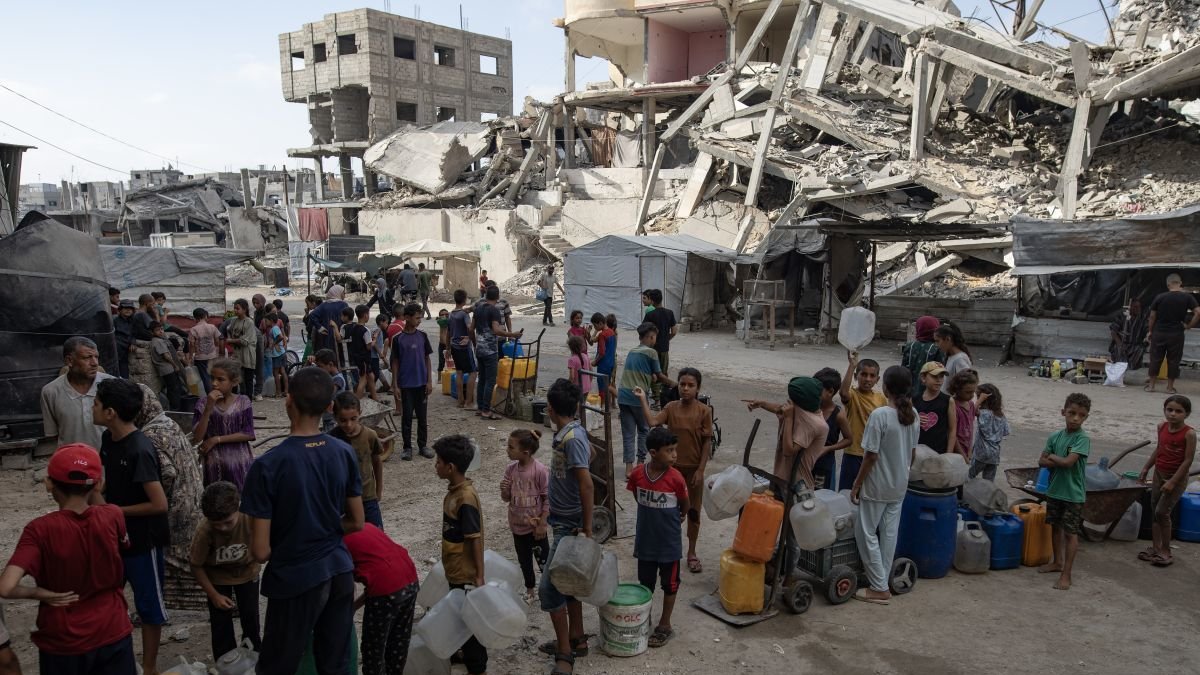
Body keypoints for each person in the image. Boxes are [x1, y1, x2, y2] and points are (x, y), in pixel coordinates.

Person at [240, 366, 364, 674]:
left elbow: (260, 551)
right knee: (333, 664)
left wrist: (295, 539)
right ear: (330, 408)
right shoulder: (342, 452)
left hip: (295, 577)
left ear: (288, 401)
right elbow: (357, 521)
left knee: (278, 665)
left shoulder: (268, 466)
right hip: (339, 571)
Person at [0, 444, 137, 673]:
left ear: (48, 483)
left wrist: (39, 593)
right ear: (99, 484)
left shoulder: (39, 530)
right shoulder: (113, 515)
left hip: (64, 640)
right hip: (112, 629)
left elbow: (5, 587)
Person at [93, 378, 170, 674]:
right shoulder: (108, 440)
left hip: (143, 540)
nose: (93, 408)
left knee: (149, 606)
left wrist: (111, 510)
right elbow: (109, 480)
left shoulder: (139, 449)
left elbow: (158, 503)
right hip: (117, 535)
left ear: (111, 412)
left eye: (97, 404)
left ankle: (149, 666)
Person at [537, 379, 594, 675]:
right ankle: (577, 638)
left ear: (549, 408)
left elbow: (586, 485)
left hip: (570, 525)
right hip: (561, 520)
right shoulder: (569, 432)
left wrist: (586, 529)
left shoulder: (572, 438)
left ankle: (565, 652)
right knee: (568, 584)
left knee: (549, 590)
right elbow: (589, 458)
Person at [850, 366, 919, 606]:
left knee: (866, 532)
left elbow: (870, 456)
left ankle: (879, 586)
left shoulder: (880, 415)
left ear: (885, 387)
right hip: (899, 484)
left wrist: (857, 484)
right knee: (889, 533)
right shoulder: (913, 415)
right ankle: (881, 580)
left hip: (878, 485)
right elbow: (912, 454)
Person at [135, 384, 203, 618]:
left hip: (177, 504)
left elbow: (167, 473)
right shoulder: (166, 423)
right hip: (191, 498)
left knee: (179, 557)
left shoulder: (151, 434)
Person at [635, 367, 712, 574]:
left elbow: (706, 443)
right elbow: (652, 422)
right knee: (669, 512)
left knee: (693, 512)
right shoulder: (670, 407)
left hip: (694, 470)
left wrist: (701, 470)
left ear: (698, 388)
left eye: (690, 385)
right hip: (672, 471)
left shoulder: (704, 411)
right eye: (682, 385)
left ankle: (692, 552)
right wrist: (643, 398)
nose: (685, 389)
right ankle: (666, 549)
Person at [626, 427, 688, 648]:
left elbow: (684, 503)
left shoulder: (676, 478)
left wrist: (680, 516)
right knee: (646, 583)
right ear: (653, 452)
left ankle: (665, 624)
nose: (674, 455)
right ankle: (645, 617)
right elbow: (636, 494)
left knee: (670, 584)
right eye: (669, 450)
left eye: (675, 450)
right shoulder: (637, 474)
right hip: (646, 541)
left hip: (669, 543)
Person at [433, 435, 487, 675]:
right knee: (458, 614)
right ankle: (461, 654)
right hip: (455, 570)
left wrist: (479, 576)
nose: (436, 465)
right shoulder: (454, 492)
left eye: (438, 462)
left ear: (450, 467)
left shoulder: (465, 498)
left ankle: (478, 667)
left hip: (466, 573)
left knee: (469, 622)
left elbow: (474, 538)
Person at [190, 481, 261, 660]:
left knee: (251, 619)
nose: (222, 528)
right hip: (217, 578)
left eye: (227, 522)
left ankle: (253, 661)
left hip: (248, 573)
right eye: (217, 525)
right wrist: (214, 595)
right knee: (221, 625)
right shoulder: (204, 530)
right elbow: (196, 565)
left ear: (238, 508)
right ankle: (225, 664)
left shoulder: (250, 517)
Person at [344, 523, 419, 675]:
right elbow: (380, 572)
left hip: (385, 588)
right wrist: (353, 608)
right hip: (409, 578)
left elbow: (344, 586)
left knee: (373, 649)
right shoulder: (363, 525)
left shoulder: (336, 542)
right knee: (398, 643)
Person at [1037, 393, 1091, 590]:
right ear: (1063, 412)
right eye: (1072, 413)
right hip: (1055, 491)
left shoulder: (1082, 439)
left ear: (1086, 417)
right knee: (1055, 527)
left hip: (1073, 494)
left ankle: (1066, 574)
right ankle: (1057, 562)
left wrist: (1051, 456)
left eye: (1081, 415)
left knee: (1071, 533)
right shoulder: (1055, 436)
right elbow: (1041, 461)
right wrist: (1052, 458)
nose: (1076, 418)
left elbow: (1068, 463)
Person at [1138, 394, 1196, 567]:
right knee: (1155, 509)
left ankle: (1166, 550)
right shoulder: (1161, 427)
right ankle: (1156, 548)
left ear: (1186, 414)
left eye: (1178, 411)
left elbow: (1188, 460)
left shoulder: (1189, 434)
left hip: (1176, 478)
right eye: (1169, 410)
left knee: (1163, 512)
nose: (1173, 414)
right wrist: (1146, 467)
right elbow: (1159, 449)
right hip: (1159, 474)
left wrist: (1172, 482)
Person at [744, 377, 829, 491]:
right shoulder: (804, 410)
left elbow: (788, 451)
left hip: (797, 487)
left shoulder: (815, 424)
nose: (789, 403)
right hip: (781, 479)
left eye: (792, 400)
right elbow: (780, 408)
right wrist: (762, 404)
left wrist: (788, 419)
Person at [614, 323, 676, 478]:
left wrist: (651, 376)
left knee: (628, 434)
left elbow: (646, 373)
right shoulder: (652, 353)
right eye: (654, 337)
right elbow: (660, 376)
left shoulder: (632, 351)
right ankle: (640, 465)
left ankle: (629, 469)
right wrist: (675, 384)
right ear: (650, 337)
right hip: (637, 396)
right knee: (643, 430)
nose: (655, 340)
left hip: (622, 395)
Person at [500, 429, 550, 603]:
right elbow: (506, 498)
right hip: (517, 526)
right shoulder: (510, 470)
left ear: (525, 452)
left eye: (511, 447)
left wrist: (543, 523)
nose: (507, 449)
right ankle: (530, 590)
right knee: (524, 561)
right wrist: (504, 490)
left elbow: (547, 498)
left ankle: (550, 590)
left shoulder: (540, 471)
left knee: (544, 561)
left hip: (536, 528)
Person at [192, 358, 256, 489]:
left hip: (239, 464)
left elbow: (249, 433)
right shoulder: (203, 403)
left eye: (221, 379)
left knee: (239, 501)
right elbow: (197, 437)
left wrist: (216, 439)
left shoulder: (243, 402)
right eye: (212, 378)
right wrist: (208, 408)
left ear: (234, 382)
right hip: (214, 465)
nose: (214, 383)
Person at [40, 336, 113, 449]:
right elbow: (52, 437)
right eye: (87, 357)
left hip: (108, 463)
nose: (94, 363)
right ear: (69, 360)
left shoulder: (113, 385)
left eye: (96, 357)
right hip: (73, 462)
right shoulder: (51, 392)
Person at [331, 392, 386, 529]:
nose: (349, 424)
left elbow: (377, 462)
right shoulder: (332, 439)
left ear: (360, 413)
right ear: (335, 417)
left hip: (367, 497)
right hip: (343, 500)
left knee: (376, 535)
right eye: (343, 420)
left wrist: (378, 490)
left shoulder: (369, 435)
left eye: (353, 418)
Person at [391, 303, 435, 460]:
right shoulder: (398, 339)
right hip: (406, 385)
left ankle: (423, 445)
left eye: (420, 318)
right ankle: (407, 447)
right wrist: (395, 384)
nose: (419, 321)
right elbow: (395, 362)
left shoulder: (422, 336)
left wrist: (429, 381)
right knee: (407, 417)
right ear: (407, 318)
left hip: (421, 383)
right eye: (417, 318)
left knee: (422, 417)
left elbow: (427, 358)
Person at [838, 352, 887, 491]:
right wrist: (852, 365)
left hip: (872, 453)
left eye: (872, 376)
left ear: (877, 379)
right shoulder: (853, 394)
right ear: (856, 376)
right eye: (863, 374)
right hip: (853, 453)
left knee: (867, 493)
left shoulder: (881, 399)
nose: (867, 379)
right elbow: (843, 393)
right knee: (847, 492)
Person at [475, 286, 524, 421]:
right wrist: (512, 334)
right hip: (490, 350)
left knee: (482, 380)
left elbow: (471, 328)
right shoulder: (494, 310)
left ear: (485, 296)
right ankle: (486, 411)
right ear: (497, 297)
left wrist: (475, 344)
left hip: (479, 349)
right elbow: (496, 330)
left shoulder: (478, 308)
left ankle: (480, 408)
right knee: (490, 381)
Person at [1146, 273, 1199, 394]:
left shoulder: (1160, 297)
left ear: (1168, 284)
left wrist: (1150, 331)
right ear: (1180, 283)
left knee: (1155, 358)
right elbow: (1198, 312)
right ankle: (1169, 388)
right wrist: (1188, 326)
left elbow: (1152, 316)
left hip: (1159, 332)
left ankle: (1151, 386)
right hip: (1176, 333)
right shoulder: (1187, 297)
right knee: (1174, 360)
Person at [813, 368, 851, 491]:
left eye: (818, 390)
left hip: (825, 465)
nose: (814, 393)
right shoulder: (811, 406)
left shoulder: (839, 415)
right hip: (806, 462)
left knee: (820, 499)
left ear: (830, 391)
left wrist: (828, 448)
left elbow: (849, 439)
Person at [912, 362, 957, 455]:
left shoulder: (948, 401)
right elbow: (907, 423)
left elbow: (952, 430)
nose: (939, 380)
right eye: (934, 376)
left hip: (940, 453)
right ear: (923, 378)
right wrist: (915, 420)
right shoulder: (914, 400)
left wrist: (948, 454)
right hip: (917, 452)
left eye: (941, 377)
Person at [644, 290, 677, 404]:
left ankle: (656, 399)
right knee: (663, 372)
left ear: (652, 300)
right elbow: (674, 331)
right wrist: (665, 339)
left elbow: (643, 332)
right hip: (664, 348)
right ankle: (665, 397)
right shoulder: (670, 313)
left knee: (653, 373)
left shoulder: (650, 315)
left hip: (652, 349)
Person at [971, 383, 1009, 481]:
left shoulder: (984, 414)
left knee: (968, 476)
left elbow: (971, 412)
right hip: (994, 455)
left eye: (978, 396)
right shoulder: (1001, 416)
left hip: (981, 453)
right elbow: (1006, 432)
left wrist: (979, 400)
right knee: (988, 482)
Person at [448, 289, 477, 410]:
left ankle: (460, 400)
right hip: (464, 347)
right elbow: (470, 328)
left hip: (454, 346)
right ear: (465, 300)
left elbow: (448, 332)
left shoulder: (451, 314)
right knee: (473, 373)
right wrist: (472, 340)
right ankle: (468, 402)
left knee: (459, 372)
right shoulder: (464, 314)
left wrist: (448, 347)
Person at [225, 299, 259, 401]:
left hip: (247, 353)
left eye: (238, 308)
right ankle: (235, 398)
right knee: (235, 376)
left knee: (248, 378)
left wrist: (232, 340)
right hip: (237, 354)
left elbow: (245, 341)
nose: (235, 310)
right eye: (234, 308)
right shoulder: (234, 320)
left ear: (244, 309)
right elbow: (229, 331)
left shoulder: (249, 322)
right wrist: (231, 339)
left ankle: (248, 399)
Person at [902, 316, 944, 397]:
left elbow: (903, 369)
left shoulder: (909, 346)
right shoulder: (937, 349)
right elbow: (940, 372)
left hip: (908, 391)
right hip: (929, 393)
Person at [150, 321, 187, 412]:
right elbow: (166, 356)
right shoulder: (158, 341)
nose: (161, 331)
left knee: (175, 387)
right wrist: (175, 365)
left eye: (162, 329)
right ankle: (175, 408)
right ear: (152, 332)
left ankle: (177, 406)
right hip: (168, 369)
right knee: (173, 389)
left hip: (166, 369)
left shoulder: (159, 340)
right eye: (158, 330)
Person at [130, 294, 161, 393]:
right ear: (146, 303)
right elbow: (156, 327)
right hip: (146, 342)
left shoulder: (137, 313)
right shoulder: (142, 314)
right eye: (152, 303)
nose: (153, 306)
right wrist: (156, 314)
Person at [311, 285, 350, 358]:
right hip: (339, 333)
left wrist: (320, 327)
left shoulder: (324, 305)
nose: (344, 295)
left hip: (326, 334)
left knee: (326, 356)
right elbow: (349, 318)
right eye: (343, 293)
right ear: (337, 293)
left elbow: (312, 315)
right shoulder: (343, 305)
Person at [948, 369, 979, 460]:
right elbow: (952, 434)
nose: (972, 396)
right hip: (955, 452)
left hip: (967, 450)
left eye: (973, 392)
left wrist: (969, 450)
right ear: (957, 390)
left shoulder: (971, 405)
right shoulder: (953, 406)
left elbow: (971, 428)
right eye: (968, 392)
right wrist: (963, 456)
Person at [190, 308, 222, 394]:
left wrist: (190, 357)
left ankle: (211, 396)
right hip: (212, 355)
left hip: (200, 358)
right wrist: (217, 350)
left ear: (195, 318)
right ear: (205, 316)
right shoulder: (212, 327)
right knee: (214, 376)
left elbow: (192, 344)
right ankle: (217, 394)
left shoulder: (193, 329)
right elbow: (217, 340)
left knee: (205, 377)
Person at [934, 324, 973, 395]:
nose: (936, 345)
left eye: (937, 341)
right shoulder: (951, 356)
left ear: (948, 339)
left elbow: (966, 383)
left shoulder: (959, 359)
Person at [345, 305, 374, 400]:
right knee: (363, 380)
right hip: (364, 358)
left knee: (371, 376)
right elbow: (369, 346)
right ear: (366, 315)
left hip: (356, 357)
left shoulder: (353, 328)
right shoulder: (365, 330)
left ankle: (375, 397)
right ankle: (356, 403)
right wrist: (375, 339)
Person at [1108, 298, 1147, 368]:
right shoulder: (1122, 316)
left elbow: (1147, 330)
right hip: (1122, 343)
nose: (1138, 309)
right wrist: (1119, 344)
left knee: (1139, 351)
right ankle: (1119, 366)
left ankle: (1131, 366)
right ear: (1130, 307)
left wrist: (1147, 337)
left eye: (1139, 307)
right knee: (1119, 354)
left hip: (1135, 345)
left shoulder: (1142, 318)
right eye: (1135, 307)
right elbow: (1113, 331)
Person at [590, 312, 616, 404]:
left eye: (595, 326)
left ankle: (602, 407)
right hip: (611, 363)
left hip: (603, 365)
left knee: (602, 387)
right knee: (607, 385)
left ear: (600, 323)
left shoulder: (602, 335)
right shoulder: (611, 332)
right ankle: (607, 406)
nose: (595, 328)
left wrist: (595, 362)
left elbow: (601, 352)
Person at [264, 310, 289, 399]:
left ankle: (278, 392)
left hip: (277, 354)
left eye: (266, 321)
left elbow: (281, 337)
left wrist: (274, 344)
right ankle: (285, 391)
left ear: (271, 320)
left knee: (275, 373)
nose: (265, 323)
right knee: (283, 371)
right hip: (281, 353)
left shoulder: (274, 329)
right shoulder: (276, 328)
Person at [252, 294, 270, 399]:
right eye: (254, 303)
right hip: (255, 337)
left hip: (263, 338)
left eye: (257, 303)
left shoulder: (265, 313)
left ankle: (259, 390)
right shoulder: (255, 313)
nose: (255, 305)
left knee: (261, 363)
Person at [114, 298, 137, 378]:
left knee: (124, 370)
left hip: (126, 348)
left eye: (130, 308)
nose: (128, 310)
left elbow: (135, 333)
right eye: (125, 308)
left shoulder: (133, 320)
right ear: (120, 310)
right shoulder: (114, 320)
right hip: (116, 348)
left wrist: (133, 342)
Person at [436, 308, 450, 376]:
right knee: (441, 362)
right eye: (442, 314)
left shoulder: (450, 321)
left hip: (449, 344)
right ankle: (439, 378)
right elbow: (443, 322)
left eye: (446, 314)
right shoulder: (440, 321)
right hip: (442, 345)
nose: (444, 315)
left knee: (451, 362)